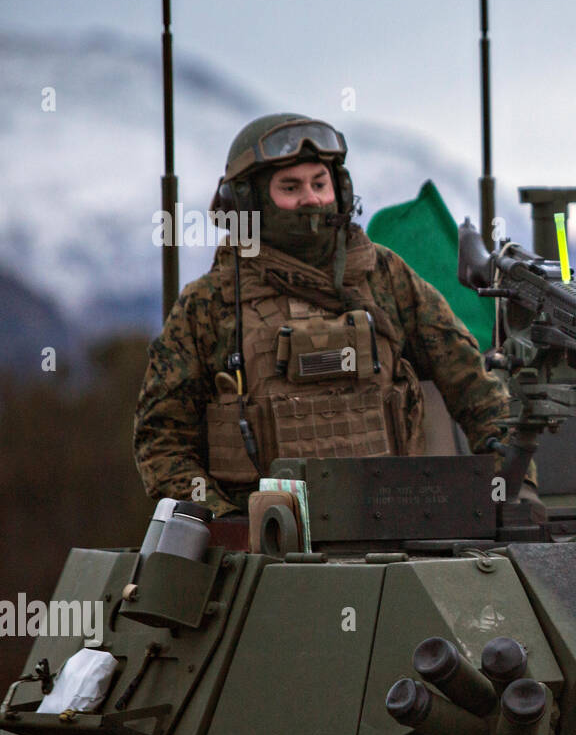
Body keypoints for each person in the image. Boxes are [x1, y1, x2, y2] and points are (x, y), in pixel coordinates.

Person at [134, 112, 526, 518]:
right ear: (248, 201)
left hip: (395, 528)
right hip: (266, 551)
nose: (311, 199)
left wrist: (511, 488)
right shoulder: (209, 304)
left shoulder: (385, 277)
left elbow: (477, 390)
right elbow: (161, 441)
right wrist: (223, 519)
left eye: (319, 184)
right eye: (290, 187)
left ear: (339, 189)